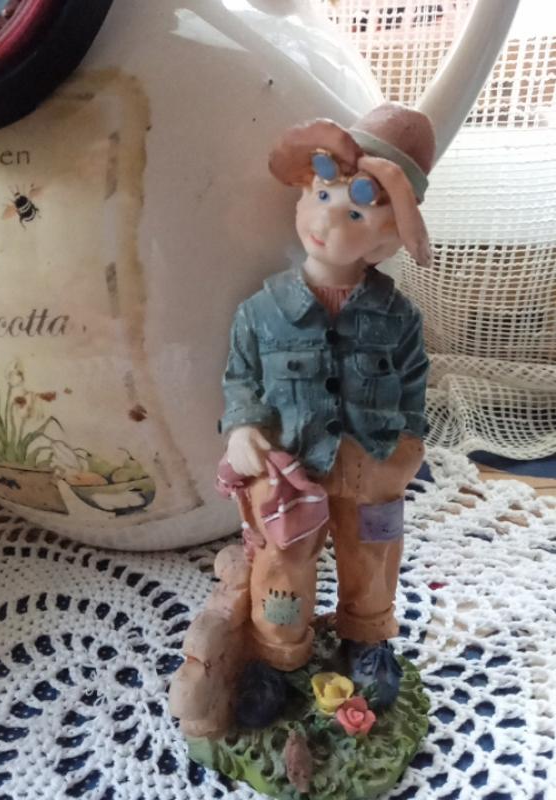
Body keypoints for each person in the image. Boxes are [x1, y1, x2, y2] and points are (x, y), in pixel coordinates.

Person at [219, 103, 436, 726]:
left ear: (386, 240)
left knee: (372, 556)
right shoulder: (262, 312)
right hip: (290, 467)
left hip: (374, 465)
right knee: (282, 563)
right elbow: (241, 377)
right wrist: (243, 428)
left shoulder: (398, 318)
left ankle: (367, 640)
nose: (326, 220)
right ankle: (276, 653)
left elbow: (414, 388)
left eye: (355, 213)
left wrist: (407, 449)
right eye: (321, 196)